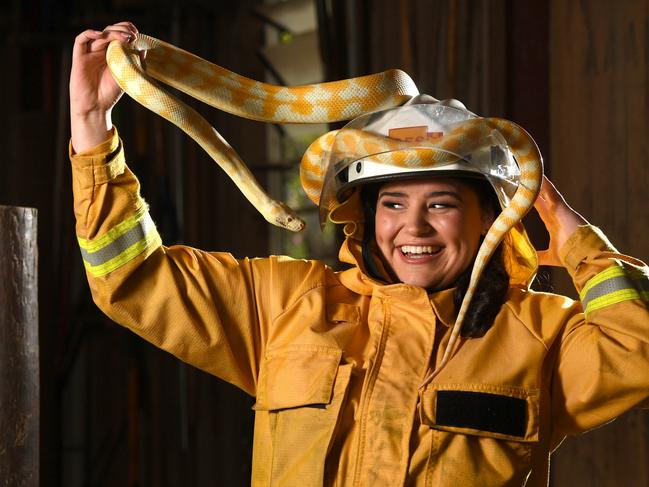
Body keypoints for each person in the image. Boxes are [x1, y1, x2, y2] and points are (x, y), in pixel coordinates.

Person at [69, 23, 649, 487]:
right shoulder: (286, 306)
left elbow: (638, 352)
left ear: (486, 220)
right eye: (392, 204)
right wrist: (93, 129)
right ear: (366, 217)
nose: (412, 227)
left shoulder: (541, 335)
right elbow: (132, 277)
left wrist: (572, 233)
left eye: (441, 204)